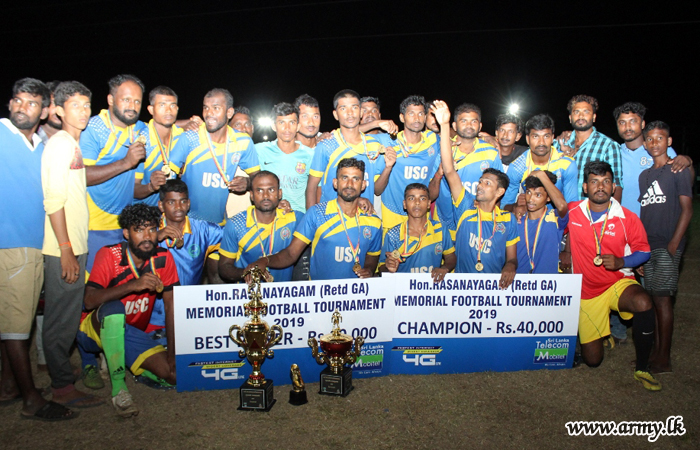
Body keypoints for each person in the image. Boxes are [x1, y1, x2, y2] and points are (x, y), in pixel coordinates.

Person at [1, 78, 76, 421]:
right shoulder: (2, 134)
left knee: (17, 320)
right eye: (17, 100)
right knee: (17, 325)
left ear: (45, 110)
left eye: (31, 103)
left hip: (32, 243)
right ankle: (31, 398)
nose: (21, 107)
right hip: (12, 243)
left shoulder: (41, 145)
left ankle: (11, 385)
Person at [77, 204, 179, 416]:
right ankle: (119, 389)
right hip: (92, 330)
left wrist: (172, 354)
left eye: (151, 229)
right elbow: (88, 301)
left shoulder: (163, 258)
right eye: (139, 230)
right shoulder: (110, 255)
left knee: (172, 375)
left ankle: (124, 359)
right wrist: (133, 285)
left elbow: (172, 306)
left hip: (130, 333)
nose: (147, 236)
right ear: (126, 233)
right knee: (114, 310)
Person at [567, 161, 659, 390]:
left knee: (643, 301)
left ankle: (643, 366)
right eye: (594, 182)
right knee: (593, 361)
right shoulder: (572, 211)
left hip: (617, 282)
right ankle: (603, 333)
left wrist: (622, 262)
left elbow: (644, 251)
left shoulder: (626, 217)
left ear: (613, 186)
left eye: (606, 181)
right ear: (585, 187)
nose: (601, 187)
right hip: (587, 293)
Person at [41, 81, 102, 409]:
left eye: (86, 105)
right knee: (60, 320)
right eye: (75, 105)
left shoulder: (72, 144)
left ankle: (62, 373)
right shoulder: (61, 145)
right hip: (61, 248)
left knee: (66, 315)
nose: (83, 111)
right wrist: (65, 249)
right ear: (59, 110)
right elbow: (53, 201)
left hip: (73, 245)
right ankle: (62, 387)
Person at [431, 101, 518, 288]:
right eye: (480, 181)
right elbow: (449, 170)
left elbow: (511, 258)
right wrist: (444, 125)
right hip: (451, 224)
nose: (480, 185)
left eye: (486, 183)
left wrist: (510, 265)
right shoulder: (467, 206)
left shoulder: (506, 220)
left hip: (493, 286)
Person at [249, 158, 382, 280]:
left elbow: (372, 255)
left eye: (356, 179)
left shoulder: (374, 222)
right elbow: (291, 253)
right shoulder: (317, 214)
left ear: (363, 185)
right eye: (344, 177)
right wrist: (264, 261)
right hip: (320, 298)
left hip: (356, 298)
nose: (349, 184)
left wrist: (369, 270)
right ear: (335, 183)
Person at [638, 122, 693, 374]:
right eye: (649, 139)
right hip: (648, 245)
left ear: (669, 141)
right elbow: (645, 211)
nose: (654, 143)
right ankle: (654, 352)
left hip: (667, 244)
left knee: (662, 300)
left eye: (660, 138)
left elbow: (687, 209)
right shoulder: (645, 176)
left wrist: (674, 244)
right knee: (653, 298)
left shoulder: (678, 169)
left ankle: (664, 358)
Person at [80, 74, 149, 273]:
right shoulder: (94, 128)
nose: (132, 106)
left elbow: (162, 125)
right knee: (94, 291)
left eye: (137, 101)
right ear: (110, 100)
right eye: (126, 99)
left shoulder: (139, 130)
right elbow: (81, 175)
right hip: (95, 226)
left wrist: (189, 122)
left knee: (118, 288)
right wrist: (126, 162)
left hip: (125, 228)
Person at [169, 88, 260, 226]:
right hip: (187, 223)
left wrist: (248, 183)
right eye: (206, 108)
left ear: (229, 112)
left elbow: (258, 178)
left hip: (219, 225)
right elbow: (167, 180)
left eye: (216, 108)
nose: (209, 114)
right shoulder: (190, 137)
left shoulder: (243, 142)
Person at [429, 102, 503, 238]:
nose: (469, 125)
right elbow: (431, 196)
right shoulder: (443, 153)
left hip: (477, 226)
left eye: (473, 121)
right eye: (463, 121)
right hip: (445, 226)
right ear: (454, 126)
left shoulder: (491, 153)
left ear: (480, 126)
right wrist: (439, 175)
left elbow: (498, 194)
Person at [306, 90, 387, 209]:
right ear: (335, 114)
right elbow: (311, 188)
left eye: (354, 107)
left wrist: (389, 167)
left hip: (364, 219)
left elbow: (377, 189)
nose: (350, 113)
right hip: (331, 220)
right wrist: (311, 221)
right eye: (343, 108)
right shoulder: (326, 145)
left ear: (360, 112)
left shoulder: (373, 145)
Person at [219, 171, 303, 282]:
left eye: (271, 190)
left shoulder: (295, 219)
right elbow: (224, 267)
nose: (266, 196)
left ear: (279, 194)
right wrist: (246, 273)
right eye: (259, 190)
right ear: (252, 196)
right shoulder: (236, 224)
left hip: (283, 295)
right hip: (248, 294)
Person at [374, 95, 440, 233]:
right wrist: (376, 123)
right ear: (402, 117)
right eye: (411, 113)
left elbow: (453, 136)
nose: (417, 118)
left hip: (421, 219)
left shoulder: (433, 140)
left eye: (421, 113)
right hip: (392, 217)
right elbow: (352, 135)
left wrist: (488, 137)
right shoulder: (387, 141)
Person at [614, 102, 692, 216]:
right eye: (622, 122)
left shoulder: (661, 150)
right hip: (624, 224)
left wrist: (688, 163)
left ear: (642, 124)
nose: (627, 127)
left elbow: (686, 182)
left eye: (633, 121)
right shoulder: (614, 154)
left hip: (655, 225)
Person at [502, 114, 578, 220]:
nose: (541, 142)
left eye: (546, 136)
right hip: (529, 224)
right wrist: (516, 207)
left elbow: (572, 207)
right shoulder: (517, 166)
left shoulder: (567, 164)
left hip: (558, 223)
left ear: (552, 138)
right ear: (528, 139)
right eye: (535, 136)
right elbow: (504, 206)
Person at [378, 183, 455, 281]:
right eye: (411, 198)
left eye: (422, 198)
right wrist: (388, 268)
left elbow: (451, 257)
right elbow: (381, 268)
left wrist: (444, 268)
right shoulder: (393, 235)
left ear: (428, 204)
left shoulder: (440, 229)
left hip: (432, 291)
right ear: (405, 204)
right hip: (404, 292)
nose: (417, 202)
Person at [557, 95, 623, 202]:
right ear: (570, 118)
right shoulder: (558, 145)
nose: (581, 116)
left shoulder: (608, 146)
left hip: (591, 214)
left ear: (594, 117)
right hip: (560, 213)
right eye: (576, 112)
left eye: (586, 112)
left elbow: (617, 185)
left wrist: (611, 216)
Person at [255, 102, 314, 212]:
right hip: (269, 216)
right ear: (273, 126)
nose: (287, 128)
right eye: (281, 122)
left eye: (292, 122)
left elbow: (315, 189)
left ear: (298, 126)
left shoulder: (310, 155)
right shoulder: (260, 150)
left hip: (299, 217)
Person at [135, 86, 183, 207]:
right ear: (151, 109)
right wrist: (151, 186)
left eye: (172, 105)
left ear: (177, 109)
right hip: (144, 214)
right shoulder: (141, 140)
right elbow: (131, 190)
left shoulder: (182, 137)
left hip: (170, 212)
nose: (168, 110)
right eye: (162, 105)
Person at [515, 171, 568, 274]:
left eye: (538, 195)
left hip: (547, 283)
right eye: (528, 192)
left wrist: (541, 174)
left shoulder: (554, 218)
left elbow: (562, 206)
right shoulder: (518, 219)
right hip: (519, 283)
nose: (531, 199)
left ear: (548, 198)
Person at [37, 80, 62, 145]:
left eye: (63, 104)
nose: (58, 109)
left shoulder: (81, 141)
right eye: (54, 103)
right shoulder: (30, 137)